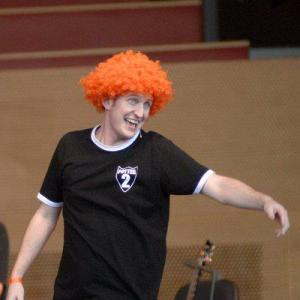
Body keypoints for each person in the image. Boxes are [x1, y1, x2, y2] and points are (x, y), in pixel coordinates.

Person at [6, 50, 289, 300]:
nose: (140, 113)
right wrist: (17, 276)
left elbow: (216, 185)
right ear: (106, 99)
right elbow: (46, 214)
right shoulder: (71, 147)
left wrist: (261, 200)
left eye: (146, 104)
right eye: (132, 101)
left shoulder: (156, 152)